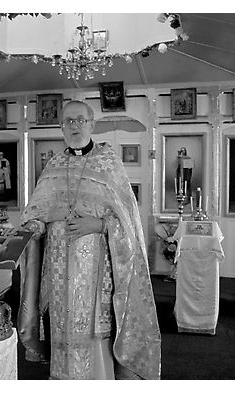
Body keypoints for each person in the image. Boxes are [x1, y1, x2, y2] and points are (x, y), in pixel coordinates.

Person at [18, 100, 160, 380]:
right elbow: (37, 212)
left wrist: (99, 224)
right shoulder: (54, 165)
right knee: (63, 328)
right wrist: (34, 225)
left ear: (92, 124)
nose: (74, 126)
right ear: (60, 127)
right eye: (68, 121)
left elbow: (128, 223)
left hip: (96, 271)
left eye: (80, 120)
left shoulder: (109, 164)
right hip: (58, 271)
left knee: (94, 331)